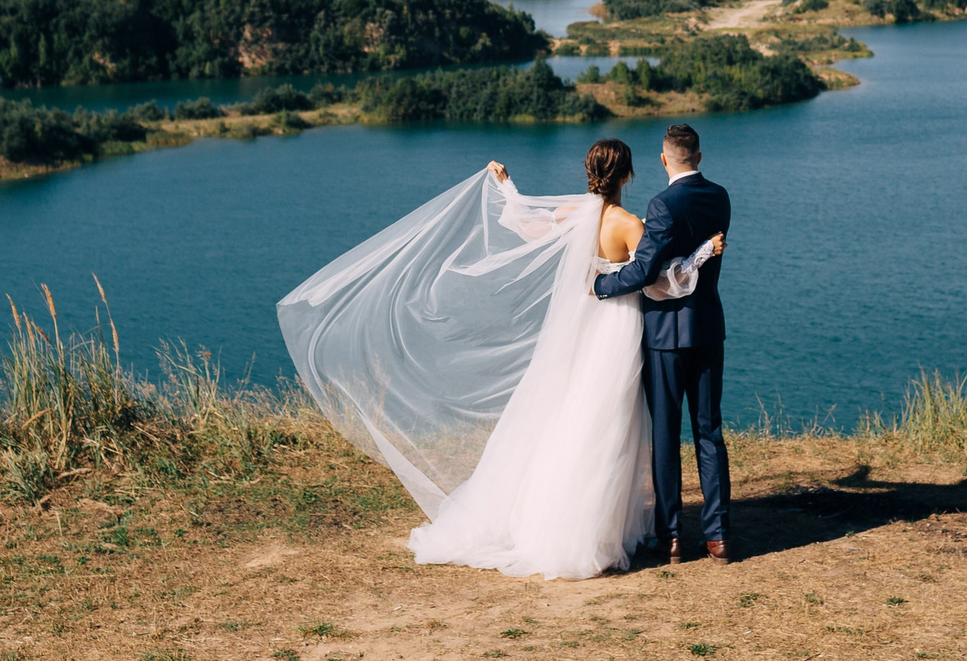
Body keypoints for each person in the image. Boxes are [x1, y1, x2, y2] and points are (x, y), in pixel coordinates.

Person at [276, 135, 724, 580]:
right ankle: (614, 524)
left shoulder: (571, 215)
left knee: (568, 411)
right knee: (612, 418)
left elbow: (527, 227)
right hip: (617, 326)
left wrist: (507, 188)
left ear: (589, 173)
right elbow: (657, 282)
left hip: (580, 322)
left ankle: (573, 519)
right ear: (628, 174)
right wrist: (702, 255)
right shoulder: (630, 224)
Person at [593, 122, 733, 564]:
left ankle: (671, 537)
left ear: (663, 159)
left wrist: (598, 285)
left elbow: (643, 273)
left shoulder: (661, 205)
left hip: (665, 338)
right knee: (709, 432)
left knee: (667, 435)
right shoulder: (721, 197)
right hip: (709, 329)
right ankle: (718, 537)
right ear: (700, 156)